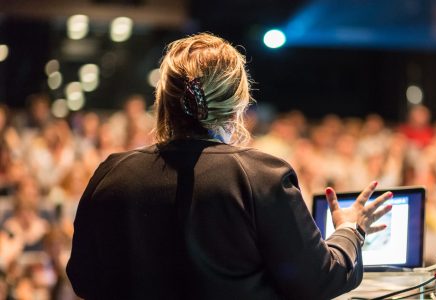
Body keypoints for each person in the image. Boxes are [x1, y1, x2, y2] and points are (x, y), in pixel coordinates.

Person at [66, 33, 393, 300]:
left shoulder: (110, 174)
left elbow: (83, 280)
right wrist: (351, 230)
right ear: (239, 104)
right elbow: (318, 282)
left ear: (163, 100)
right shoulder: (261, 177)